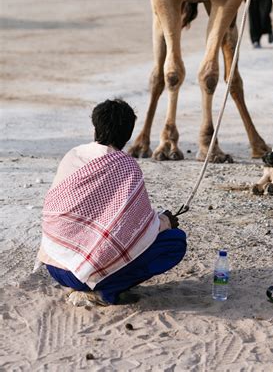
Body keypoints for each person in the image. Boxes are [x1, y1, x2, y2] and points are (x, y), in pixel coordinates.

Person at [36, 99, 186, 306]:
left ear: (95, 127)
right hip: (81, 275)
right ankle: (104, 291)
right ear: (128, 134)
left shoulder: (73, 155)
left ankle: (87, 282)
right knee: (175, 242)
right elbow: (137, 228)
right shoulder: (126, 166)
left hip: (55, 265)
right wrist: (165, 221)